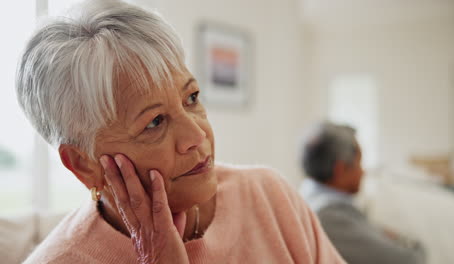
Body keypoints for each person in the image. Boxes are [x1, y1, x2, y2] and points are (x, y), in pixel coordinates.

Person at [16, 1, 345, 263]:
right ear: (83, 164)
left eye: (192, 98)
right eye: (155, 122)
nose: (198, 135)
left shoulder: (270, 196)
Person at [299, 122, 426, 264]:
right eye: (359, 163)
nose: (363, 172)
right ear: (340, 169)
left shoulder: (305, 201)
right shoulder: (330, 219)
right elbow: (411, 261)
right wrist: (404, 241)